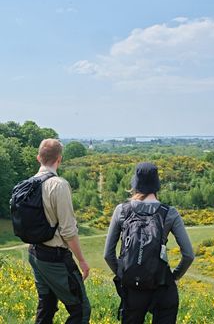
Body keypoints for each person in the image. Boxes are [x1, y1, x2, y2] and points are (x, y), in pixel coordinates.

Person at [104, 162, 194, 324]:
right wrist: (173, 277)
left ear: (135, 184)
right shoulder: (169, 213)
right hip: (162, 285)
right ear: (156, 185)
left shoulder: (122, 210)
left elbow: (108, 254)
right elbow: (188, 255)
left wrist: (123, 273)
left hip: (133, 287)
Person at [28, 138, 91, 324]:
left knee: (46, 306)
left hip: (34, 253)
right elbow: (68, 231)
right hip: (55, 258)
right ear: (59, 159)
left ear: (38, 158)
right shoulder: (58, 185)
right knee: (81, 309)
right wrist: (81, 261)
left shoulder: (29, 183)